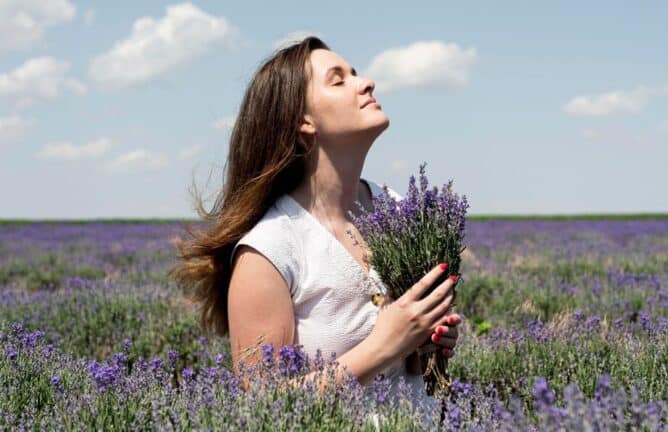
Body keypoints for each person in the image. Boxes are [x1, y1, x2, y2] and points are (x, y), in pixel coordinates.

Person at [170, 36, 462, 425]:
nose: (366, 83)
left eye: (355, 73)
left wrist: (427, 344)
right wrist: (383, 345)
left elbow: (420, 372)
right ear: (303, 121)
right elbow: (261, 405)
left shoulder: (400, 210)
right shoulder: (270, 249)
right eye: (338, 80)